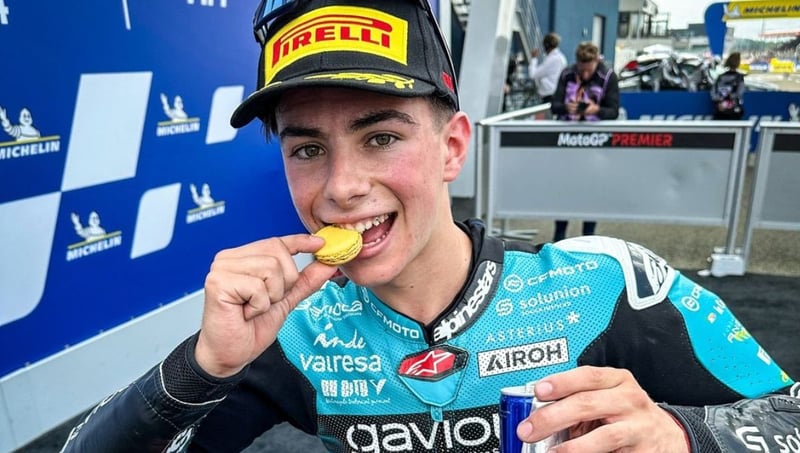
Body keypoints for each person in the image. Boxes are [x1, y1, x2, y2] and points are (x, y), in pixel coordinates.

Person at [61, 1, 798, 452]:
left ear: (452, 147)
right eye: (308, 149)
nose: (342, 187)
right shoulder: (294, 332)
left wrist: (686, 435)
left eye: (381, 137)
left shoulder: (606, 284)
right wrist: (203, 366)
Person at [550, 41, 620, 242]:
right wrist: (566, 107)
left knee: (592, 191)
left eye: (589, 70)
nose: (585, 74)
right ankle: (559, 237)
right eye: (582, 70)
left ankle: (588, 239)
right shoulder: (567, 74)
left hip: (595, 143)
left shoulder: (608, 76)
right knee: (564, 189)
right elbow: (554, 105)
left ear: (597, 62)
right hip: (567, 141)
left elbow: (614, 111)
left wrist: (596, 110)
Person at [527, 32, 567, 104]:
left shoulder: (552, 59)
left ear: (546, 45)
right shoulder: (561, 57)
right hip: (558, 94)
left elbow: (533, 74)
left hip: (550, 96)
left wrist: (534, 58)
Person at [710, 52, 746, 120]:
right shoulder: (739, 77)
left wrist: (720, 101)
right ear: (738, 63)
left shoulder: (720, 77)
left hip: (721, 110)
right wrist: (730, 97)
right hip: (734, 111)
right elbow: (739, 93)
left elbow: (713, 93)